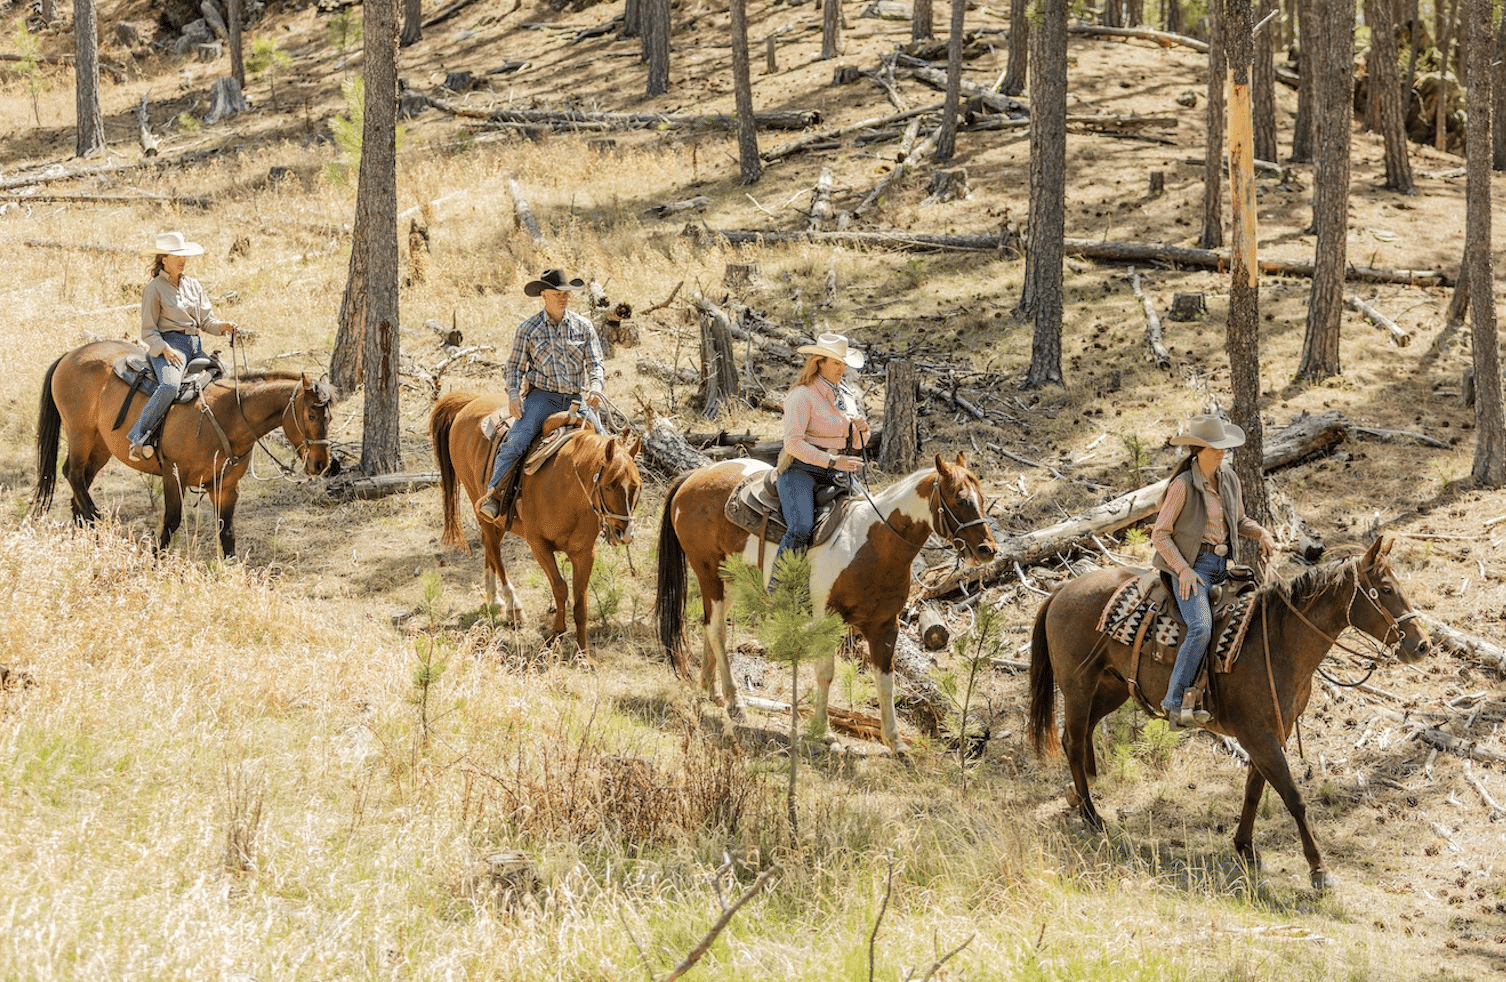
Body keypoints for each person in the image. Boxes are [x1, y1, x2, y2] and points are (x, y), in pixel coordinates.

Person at [1151, 413, 1277, 728]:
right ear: (1199, 450)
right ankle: (1175, 702)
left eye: (1223, 447)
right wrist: (1183, 570)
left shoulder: (1229, 479)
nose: (1222, 452)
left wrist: (1261, 533)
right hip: (1193, 568)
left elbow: (1238, 522)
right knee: (1201, 628)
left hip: (1224, 567)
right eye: (1215, 448)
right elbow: (1160, 534)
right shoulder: (1182, 486)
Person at [479, 269, 606, 520]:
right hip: (541, 398)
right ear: (543, 295)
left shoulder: (583, 326)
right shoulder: (528, 329)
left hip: (575, 399)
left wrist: (597, 387)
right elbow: (514, 367)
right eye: (557, 293)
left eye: (566, 293)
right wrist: (513, 394)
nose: (563, 297)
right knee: (516, 441)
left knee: (605, 445)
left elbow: (596, 364)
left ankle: (608, 506)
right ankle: (495, 494)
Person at [126, 231, 240, 460]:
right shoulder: (154, 288)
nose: (182, 259)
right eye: (176, 255)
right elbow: (148, 331)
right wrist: (165, 349)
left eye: (184, 255)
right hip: (170, 345)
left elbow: (206, 321)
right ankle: (139, 437)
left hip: (195, 347)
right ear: (163, 259)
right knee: (169, 385)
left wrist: (224, 326)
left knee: (225, 379)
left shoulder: (194, 286)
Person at [771, 332, 871, 588]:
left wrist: (862, 429)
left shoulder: (845, 395)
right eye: (837, 362)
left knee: (869, 516)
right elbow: (793, 443)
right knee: (801, 527)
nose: (843, 367)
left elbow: (857, 444)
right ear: (820, 362)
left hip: (836, 468)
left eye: (844, 362)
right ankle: (779, 590)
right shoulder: (801, 395)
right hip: (799, 469)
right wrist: (832, 461)